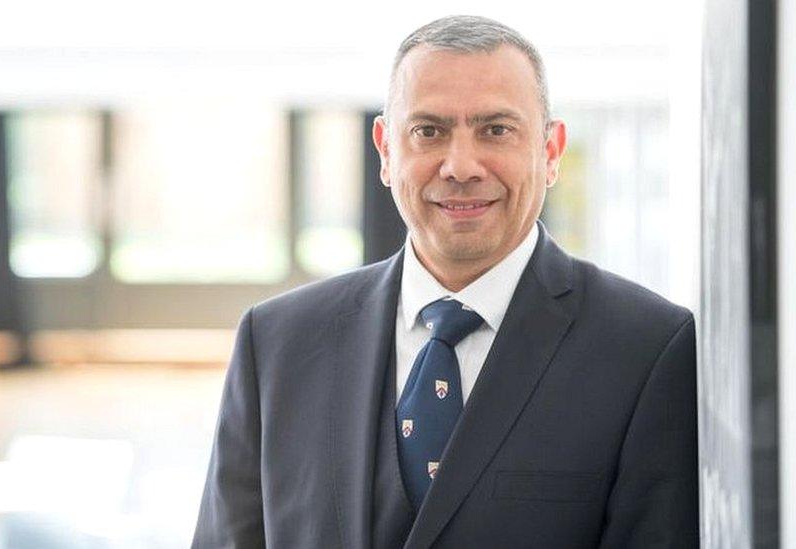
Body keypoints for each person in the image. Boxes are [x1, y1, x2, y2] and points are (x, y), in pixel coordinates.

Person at [192, 15, 698, 548]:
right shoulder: (275, 343)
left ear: (550, 151)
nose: (460, 165)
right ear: (387, 150)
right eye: (429, 131)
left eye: (495, 130)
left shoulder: (646, 349)